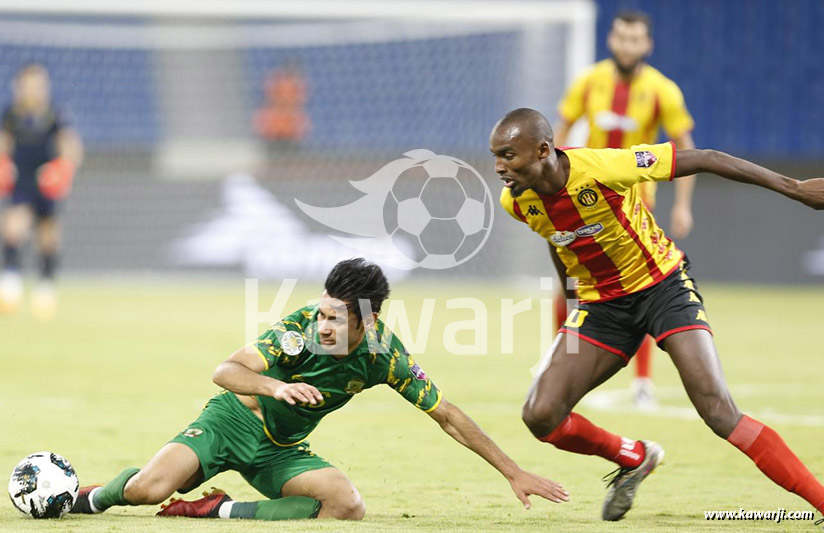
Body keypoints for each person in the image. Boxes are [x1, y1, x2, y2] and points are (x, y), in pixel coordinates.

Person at [490, 108, 824, 521]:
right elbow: (558, 241)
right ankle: (634, 456)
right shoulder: (517, 201)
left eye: (507, 155)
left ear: (543, 150)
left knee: (717, 410)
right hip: (602, 308)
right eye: (496, 156)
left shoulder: (605, 166)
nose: (499, 167)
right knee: (540, 415)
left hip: (663, 289)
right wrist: (573, 307)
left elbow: (706, 157)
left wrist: (793, 187)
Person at [70, 258, 568, 522]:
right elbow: (224, 372)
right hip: (230, 422)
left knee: (347, 506)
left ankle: (215, 509)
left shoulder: (384, 357)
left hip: (281, 452)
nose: (323, 323)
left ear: (366, 320)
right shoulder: (300, 325)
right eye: (323, 310)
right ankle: (82, 498)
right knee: (147, 490)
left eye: (336, 318)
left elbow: (448, 416)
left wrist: (514, 471)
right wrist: (273, 386)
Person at [554, 10, 697, 406]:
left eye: (635, 40)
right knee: (569, 278)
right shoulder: (588, 82)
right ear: (611, 40)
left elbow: (686, 150)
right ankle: (561, 358)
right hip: (584, 201)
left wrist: (683, 205)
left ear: (647, 45)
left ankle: (644, 382)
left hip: (636, 205)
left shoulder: (662, 90)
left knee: (638, 283)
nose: (627, 46)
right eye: (621, 38)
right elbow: (557, 139)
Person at [0, 63, 83, 319]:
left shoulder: (55, 115)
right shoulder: (11, 115)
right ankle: (10, 283)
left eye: (39, 84)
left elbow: (71, 146)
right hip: (22, 180)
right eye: (29, 84)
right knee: (13, 228)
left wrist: (64, 169)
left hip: (47, 181)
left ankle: (45, 288)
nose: (34, 90)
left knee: (48, 236)